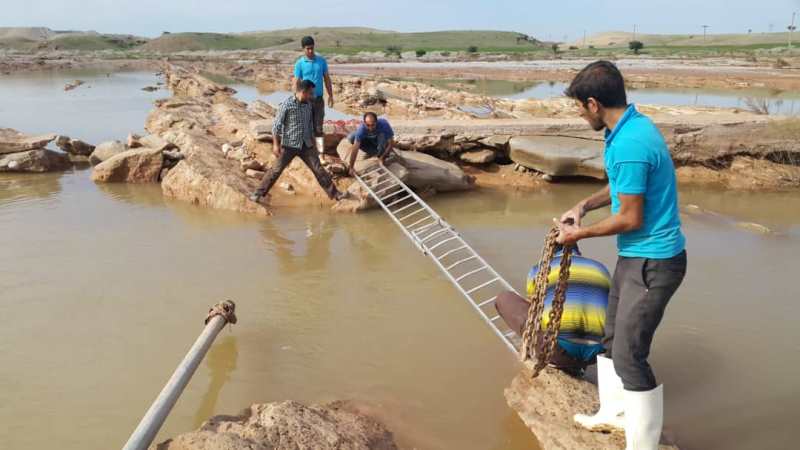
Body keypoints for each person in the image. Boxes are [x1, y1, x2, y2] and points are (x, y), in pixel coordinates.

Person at [555, 60, 687, 450]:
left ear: (594, 103)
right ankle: (613, 414)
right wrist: (584, 205)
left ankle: (642, 445)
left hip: (654, 261)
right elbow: (619, 186)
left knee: (631, 356)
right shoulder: (628, 128)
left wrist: (579, 233)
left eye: (580, 107)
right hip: (636, 256)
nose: (580, 114)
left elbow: (629, 217)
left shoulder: (630, 143)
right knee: (611, 342)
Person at [495, 244, 610, 377]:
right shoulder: (601, 268)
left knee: (504, 298)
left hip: (557, 353)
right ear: (578, 252)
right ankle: (577, 360)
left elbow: (533, 306)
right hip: (596, 355)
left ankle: (558, 358)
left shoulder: (540, 269)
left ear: (549, 252)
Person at [250, 80, 345, 203]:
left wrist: (314, 143)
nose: (312, 96)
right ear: (303, 92)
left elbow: (310, 124)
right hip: (289, 144)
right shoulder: (287, 105)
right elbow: (276, 126)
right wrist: (275, 145)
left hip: (307, 145)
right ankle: (258, 194)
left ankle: (336, 194)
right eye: (310, 93)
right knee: (276, 170)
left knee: (318, 169)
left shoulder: (309, 104)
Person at [292, 36, 334, 140]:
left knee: (319, 128)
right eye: (308, 48)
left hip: (319, 99)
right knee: (306, 126)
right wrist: (295, 97)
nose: (310, 51)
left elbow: (327, 78)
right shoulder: (300, 63)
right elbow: (296, 81)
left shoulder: (321, 61)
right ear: (303, 49)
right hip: (305, 100)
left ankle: (320, 153)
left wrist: (330, 95)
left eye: (312, 48)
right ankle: (307, 152)